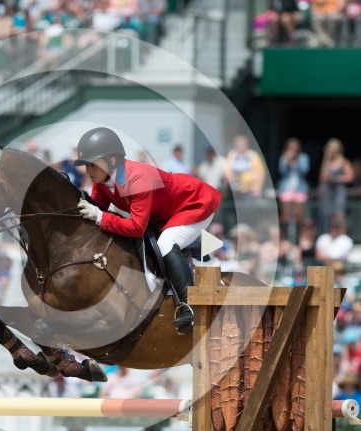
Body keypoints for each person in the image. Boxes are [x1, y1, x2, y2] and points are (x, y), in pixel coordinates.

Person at [73, 127, 221, 334]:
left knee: (166, 244)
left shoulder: (137, 178)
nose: (88, 170)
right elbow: (96, 210)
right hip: (164, 214)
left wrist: (99, 216)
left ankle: (191, 306)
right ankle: (194, 254)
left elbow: (135, 227)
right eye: (86, 165)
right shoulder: (102, 181)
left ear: (112, 160)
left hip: (194, 204)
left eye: (92, 164)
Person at [278, 138, 310, 235]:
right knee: (286, 214)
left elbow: (305, 170)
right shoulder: (283, 157)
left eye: (295, 147)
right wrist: (287, 160)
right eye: (291, 147)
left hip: (300, 189)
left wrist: (297, 160)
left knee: (299, 214)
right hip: (286, 188)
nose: (293, 150)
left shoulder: (303, 158)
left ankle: (298, 235)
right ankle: (285, 235)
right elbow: (281, 171)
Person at [318, 137, 354, 228]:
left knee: (339, 215)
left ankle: (342, 234)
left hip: (339, 192)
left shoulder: (344, 161)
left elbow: (350, 177)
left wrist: (337, 179)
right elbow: (322, 177)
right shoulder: (326, 162)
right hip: (328, 192)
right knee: (329, 215)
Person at [225, 135, 265, 200]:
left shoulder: (252, 155)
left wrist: (258, 188)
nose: (241, 146)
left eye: (242, 144)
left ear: (247, 145)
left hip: (250, 189)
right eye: (239, 145)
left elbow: (261, 173)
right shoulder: (232, 155)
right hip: (235, 189)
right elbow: (228, 171)